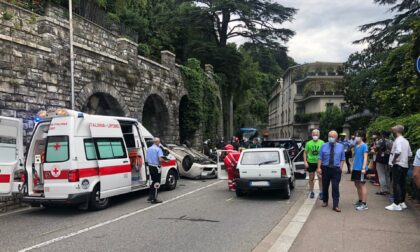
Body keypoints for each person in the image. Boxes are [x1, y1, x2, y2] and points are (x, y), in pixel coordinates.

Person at [385, 125, 412, 211]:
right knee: (402, 183)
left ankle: (396, 203)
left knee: (395, 183)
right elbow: (410, 154)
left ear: (397, 130)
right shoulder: (406, 141)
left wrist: (393, 161)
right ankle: (402, 202)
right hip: (405, 165)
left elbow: (398, 151)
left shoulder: (398, 140)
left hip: (398, 164)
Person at [317, 131, 345, 212]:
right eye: (329, 136)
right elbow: (320, 158)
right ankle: (325, 201)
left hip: (336, 169)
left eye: (332, 136)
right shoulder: (323, 146)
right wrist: (319, 168)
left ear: (336, 137)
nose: (331, 138)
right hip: (325, 168)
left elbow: (342, 158)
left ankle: (335, 205)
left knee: (335, 187)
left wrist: (340, 168)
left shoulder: (341, 146)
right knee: (325, 186)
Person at [304, 129, 325, 199]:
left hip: (319, 162)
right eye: (314, 134)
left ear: (319, 135)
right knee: (311, 178)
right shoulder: (308, 143)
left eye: (316, 134)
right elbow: (305, 152)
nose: (315, 136)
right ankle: (311, 192)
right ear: (311, 135)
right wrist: (305, 161)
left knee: (320, 178)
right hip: (310, 162)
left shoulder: (322, 143)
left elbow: (325, 153)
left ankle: (321, 192)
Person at [351, 131, 369, 211]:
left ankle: (364, 204)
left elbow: (365, 157)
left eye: (357, 136)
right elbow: (354, 156)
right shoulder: (356, 145)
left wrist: (364, 168)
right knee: (356, 184)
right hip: (355, 168)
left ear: (361, 137)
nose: (355, 137)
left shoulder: (364, 146)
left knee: (362, 184)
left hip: (361, 168)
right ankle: (360, 200)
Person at [146, 137, 166, 204]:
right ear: (157, 142)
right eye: (159, 142)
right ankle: (154, 199)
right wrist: (165, 160)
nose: (159, 143)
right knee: (157, 183)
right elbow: (160, 159)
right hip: (156, 167)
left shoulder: (148, 149)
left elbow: (147, 158)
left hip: (150, 166)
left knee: (153, 181)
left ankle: (150, 197)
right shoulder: (158, 149)